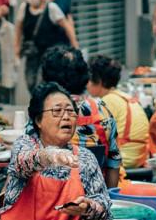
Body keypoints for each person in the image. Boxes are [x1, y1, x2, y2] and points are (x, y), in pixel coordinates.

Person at [0, 83, 112, 220]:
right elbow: (23, 163)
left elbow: (105, 210)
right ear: (38, 120)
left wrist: (88, 207)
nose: (66, 117)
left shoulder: (86, 158)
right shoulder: (24, 146)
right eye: (57, 111)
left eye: (70, 111)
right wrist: (50, 156)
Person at [40, 45, 121, 187]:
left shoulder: (42, 112)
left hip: (51, 199)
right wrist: (108, 201)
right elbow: (113, 163)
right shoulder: (102, 110)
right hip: (93, 198)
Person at [87, 55, 150, 169]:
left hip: (124, 160)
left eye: (89, 80)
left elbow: (95, 136)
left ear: (99, 81)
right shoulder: (123, 96)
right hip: (139, 157)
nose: (87, 84)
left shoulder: (107, 101)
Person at [16, 0, 77, 94]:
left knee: (42, 81)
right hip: (32, 53)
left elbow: (67, 27)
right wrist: (16, 49)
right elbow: (18, 28)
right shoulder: (24, 8)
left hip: (49, 53)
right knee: (30, 81)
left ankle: (42, 106)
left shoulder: (52, 8)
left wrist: (74, 47)